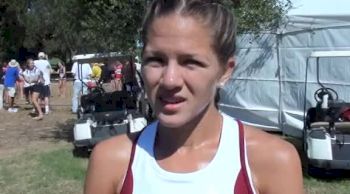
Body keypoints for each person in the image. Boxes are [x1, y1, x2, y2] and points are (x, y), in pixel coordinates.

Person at [84, 1, 304, 194]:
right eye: (156, 60)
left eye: (191, 62)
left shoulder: (272, 161)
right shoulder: (111, 161)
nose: (170, 80)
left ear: (225, 71)